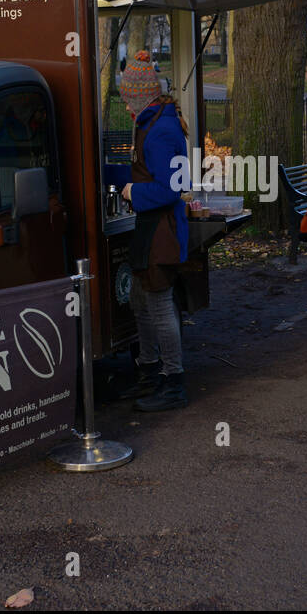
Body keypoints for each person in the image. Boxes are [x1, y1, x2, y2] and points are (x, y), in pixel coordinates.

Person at [114, 53, 191, 411]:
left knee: (159, 304)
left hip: (163, 228)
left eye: (127, 98)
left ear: (137, 96)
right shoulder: (154, 120)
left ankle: (173, 382)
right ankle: (148, 372)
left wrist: (132, 192)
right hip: (152, 225)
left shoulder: (160, 129)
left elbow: (171, 188)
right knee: (141, 300)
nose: (125, 106)